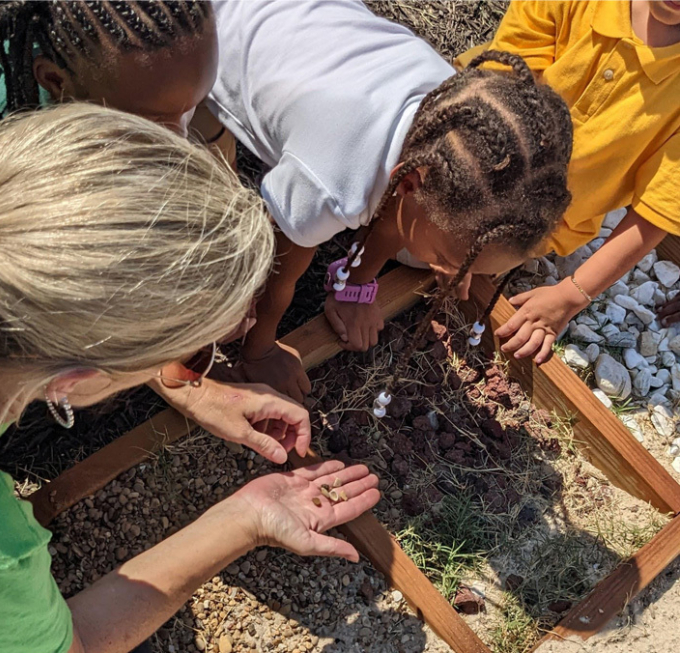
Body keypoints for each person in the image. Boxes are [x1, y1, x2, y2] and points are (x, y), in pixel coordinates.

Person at [0, 103, 380, 653]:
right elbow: (74, 644)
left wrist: (184, 382)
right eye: (194, 358)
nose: (196, 373)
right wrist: (245, 517)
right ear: (72, 381)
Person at [204, 0, 574, 401]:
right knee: (188, 152)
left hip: (301, 21)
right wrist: (259, 350)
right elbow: (281, 269)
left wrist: (358, 286)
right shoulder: (330, 183)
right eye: (447, 261)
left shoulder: (451, 121)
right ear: (410, 183)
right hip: (204, 28)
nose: (448, 272)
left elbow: (400, 213)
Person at [454, 0, 680, 354]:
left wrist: (569, 296)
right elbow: (495, 86)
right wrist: (466, 206)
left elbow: (657, 213)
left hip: (531, 224)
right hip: (470, 146)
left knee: (433, 254)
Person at [0, 0, 218, 155]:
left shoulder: (145, 85)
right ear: (56, 82)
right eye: (151, 121)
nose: (182, 141)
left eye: (192, 104)